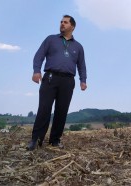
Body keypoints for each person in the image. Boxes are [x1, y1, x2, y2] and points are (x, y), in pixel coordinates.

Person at [27, 15, 87, 150]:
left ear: (72, 26)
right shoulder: (51, 39)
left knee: (61, 110)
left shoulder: (78, 47)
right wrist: (36, 71)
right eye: (61, 22)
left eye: (65, 22)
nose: (62, 24)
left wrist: (83, 80)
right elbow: (39, 55)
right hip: (50, 78)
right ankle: (36, 140)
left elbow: (81, 65)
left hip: (68, 81)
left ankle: (55, 140)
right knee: (44, 109)